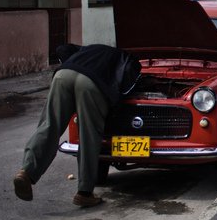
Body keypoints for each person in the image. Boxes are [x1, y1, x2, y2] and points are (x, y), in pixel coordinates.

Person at [13, 43, 141, 207]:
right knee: (89, 135)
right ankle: (84, 192)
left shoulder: (89, 48)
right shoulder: (127, 58)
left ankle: (26, 172)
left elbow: (62, 49)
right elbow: (127, 86)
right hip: (91, 83)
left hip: (64, 74)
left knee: (49, 124)